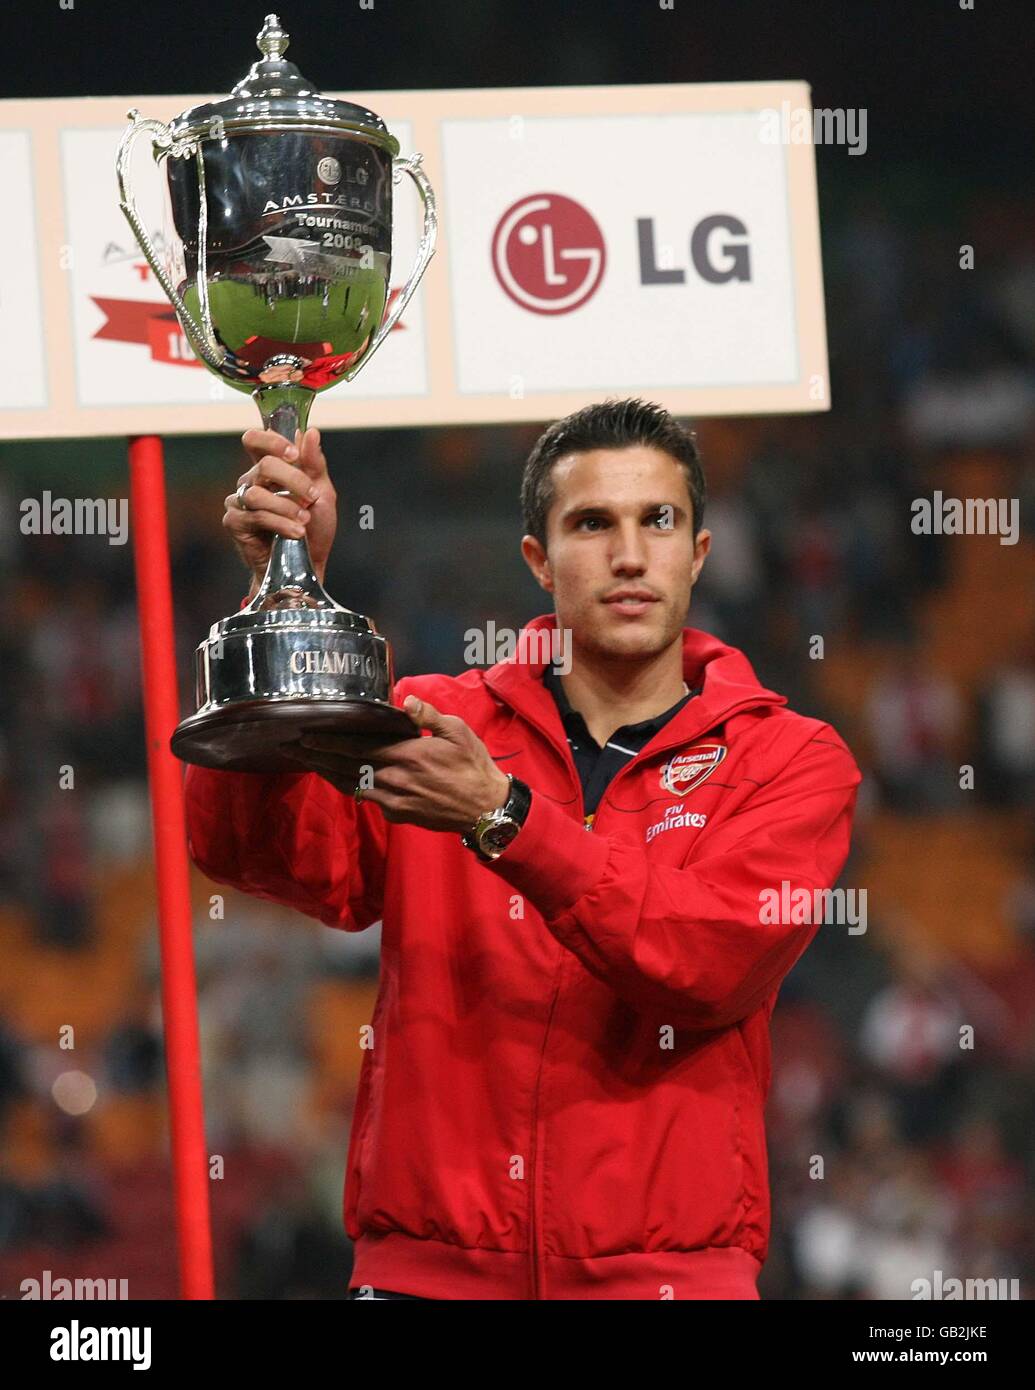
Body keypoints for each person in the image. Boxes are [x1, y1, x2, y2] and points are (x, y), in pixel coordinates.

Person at [184, 397, 861, 1300]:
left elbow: (708, 962)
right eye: (591, 523)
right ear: (539, 561)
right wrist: (284, 601)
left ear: (698, 553)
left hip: (663, 1280)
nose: (628, 555)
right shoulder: (436, 719)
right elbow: (258, 851)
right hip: (426, 1276)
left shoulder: (788, 760)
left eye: (657, 521)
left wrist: (505, 818)